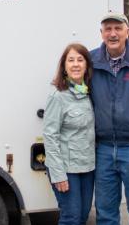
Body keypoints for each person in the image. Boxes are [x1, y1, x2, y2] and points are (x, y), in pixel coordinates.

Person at [90, 12, 129, 225]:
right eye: (108, 29)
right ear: (101, 34)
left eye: (118, 28)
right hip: (103, 149)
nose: (113, 33)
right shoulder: (90, 62)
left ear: (127, 32)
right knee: (106, 212)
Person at [43, 43, 95, 225]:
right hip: (66, 168)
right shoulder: (58, 95)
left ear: (87, 65)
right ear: (64, 66)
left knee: (82, 216)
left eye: (80, 60)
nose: (75, 64)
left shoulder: (89, 93)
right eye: (70, 60)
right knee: (71, 218)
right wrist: (58, 174)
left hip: (87, 167)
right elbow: (50, 136)